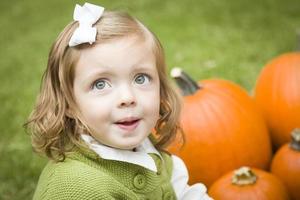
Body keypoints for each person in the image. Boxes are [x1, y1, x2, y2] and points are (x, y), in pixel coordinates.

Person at [25, 2, 212, 200]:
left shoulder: (150, 153)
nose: (127, 98)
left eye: (141, 78)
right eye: (100, 84)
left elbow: (184, 194)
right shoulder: (73, 189)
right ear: (68, 103)